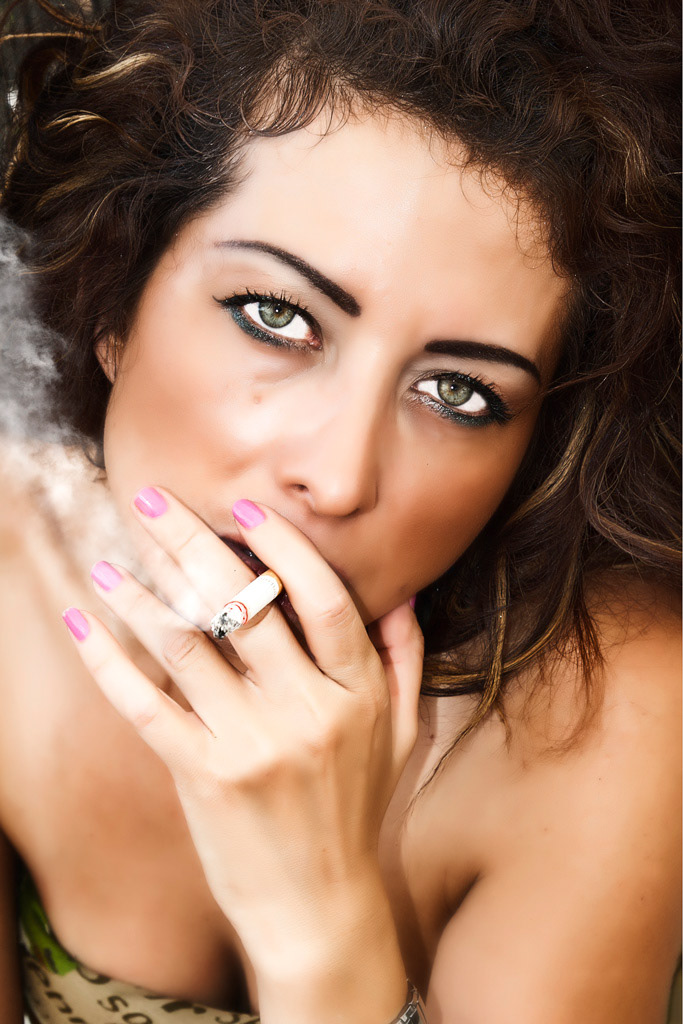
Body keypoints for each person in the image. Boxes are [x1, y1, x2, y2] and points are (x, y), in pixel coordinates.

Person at [0, 1, 680, 1022]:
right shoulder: (9, 574)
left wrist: (319, 934)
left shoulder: (603, 715)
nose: (338, 476)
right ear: (113, 300)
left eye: (457, 393)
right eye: (275, 317)